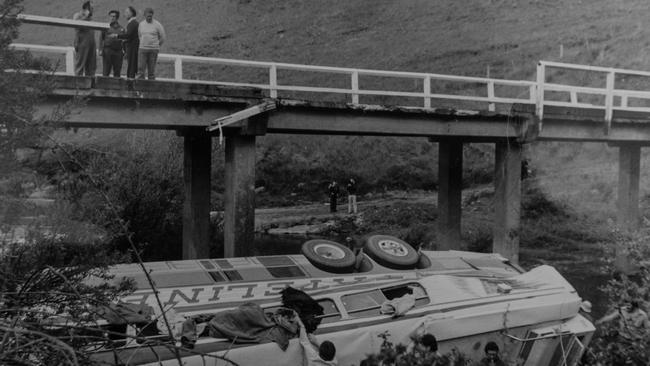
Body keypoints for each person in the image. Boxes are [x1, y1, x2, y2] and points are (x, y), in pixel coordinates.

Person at [137, 7, 166, 80]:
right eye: (148, 15)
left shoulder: (157, 25)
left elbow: (162, 37)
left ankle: (151, 88)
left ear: (152, 15)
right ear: (144, 15)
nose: (149, 17)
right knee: (141, 70)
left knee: (151, 71)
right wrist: (143, 43)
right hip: (143, 50)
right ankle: (140, 88)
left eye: (151, 15)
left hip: (153, 50)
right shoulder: (141, 24)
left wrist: (156, 45)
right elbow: (140, 35)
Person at [72, 1, 96, 76]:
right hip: (82, 43)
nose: (93, 10)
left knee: (91, 64)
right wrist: (85, 17)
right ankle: (78, 83)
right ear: (86, 8)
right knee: (80, 64)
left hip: (91, 43)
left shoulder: (91, 18)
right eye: (91, 8)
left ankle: (90, 83)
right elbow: (76, 26)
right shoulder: (77, 15)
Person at [99, 10, 124, 77]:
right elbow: (101, 38)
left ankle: (116, 86)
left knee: (117, 70)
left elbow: (124, 40)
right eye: (110, 16)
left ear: (117, 18)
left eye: (114, 16)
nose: (112, 18)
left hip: (118, 52)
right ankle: (104, 85)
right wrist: (100, 50)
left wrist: (124, 51)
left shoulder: (121, 29)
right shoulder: (105, 27)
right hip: (108, 51)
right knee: (106, 70)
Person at [116, 6, 139, 79]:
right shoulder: (133, 23)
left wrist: (117, 36)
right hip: (132, 47)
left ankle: (130, 83)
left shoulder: (133, 23)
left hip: (132, 48)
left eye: (126, 12)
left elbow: (128, 35)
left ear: (131, 14)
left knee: (131, 65)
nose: (124, 14)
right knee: (131, 65)